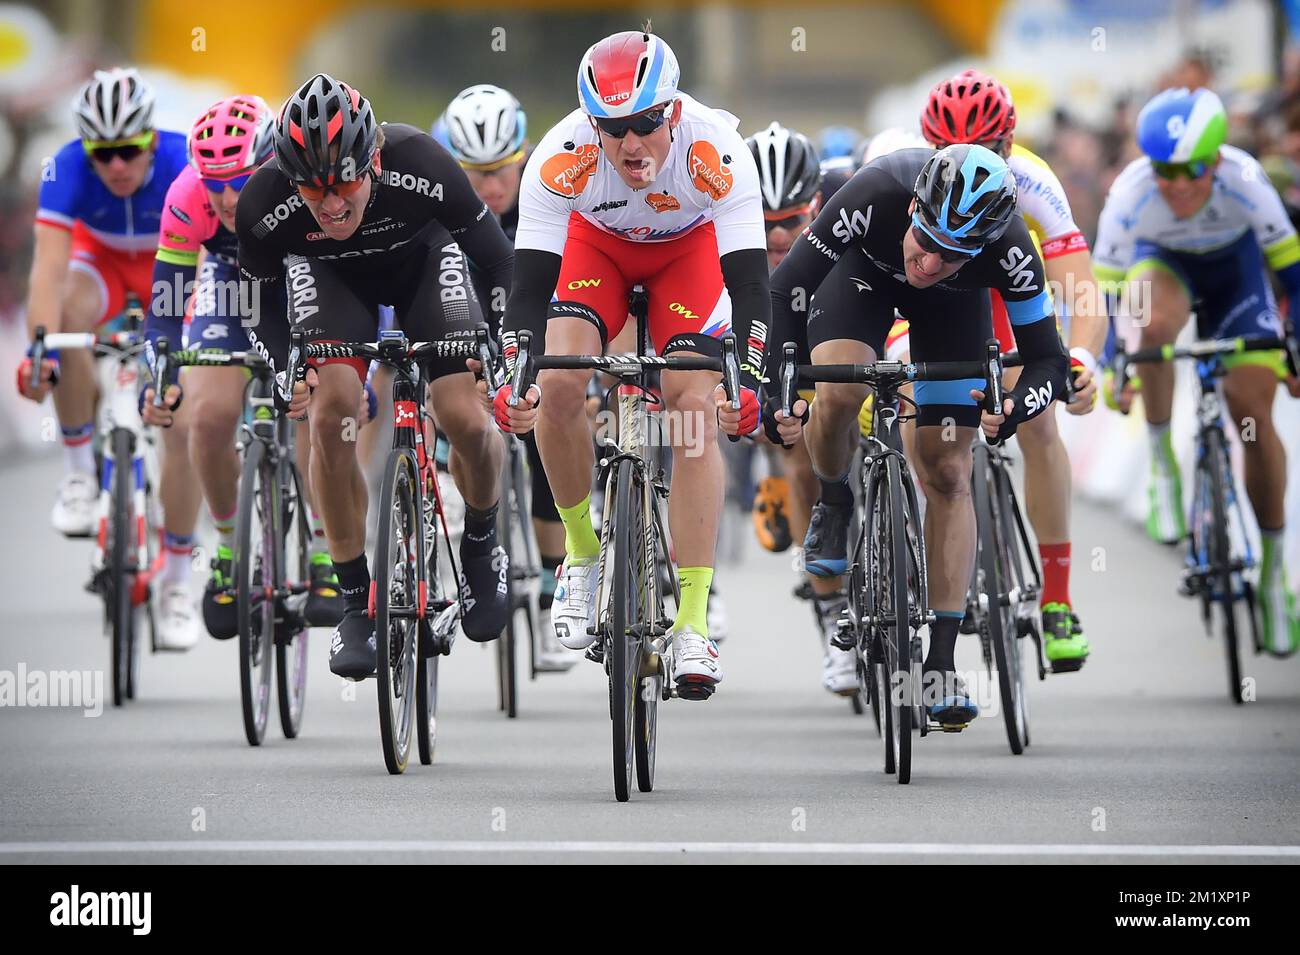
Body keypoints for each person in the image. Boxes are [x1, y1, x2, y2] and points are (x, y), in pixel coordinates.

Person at [491, 30, 803, 697]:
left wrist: (743, 381)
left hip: (687, 258)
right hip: (594, 251)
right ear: (590, 124)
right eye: (612, 128)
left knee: (693, 404)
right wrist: (512, 376)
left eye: (644, 123)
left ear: (673, 113)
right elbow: (525, 294)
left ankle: (691, 622)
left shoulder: (716, 149)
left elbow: (752, 288)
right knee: (559, 379)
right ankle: (580, 554)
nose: (631, 144)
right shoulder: (561, 156)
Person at [771, 143, 1069, 726]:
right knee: (838, 394)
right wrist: (777, 387)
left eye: (953, 254)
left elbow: (1048, 363)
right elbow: (787, 287)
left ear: (982, 246)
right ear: (914, 208)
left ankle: (939, 663)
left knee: (950, 472)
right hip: (861, 282)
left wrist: (1013, 406)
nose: (930, 263)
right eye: (927, 240)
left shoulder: (1010, 248)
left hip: (953, 314)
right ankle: (834, 503)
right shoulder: (876, 191)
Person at [235, 73, 516, 679]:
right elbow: (253, 299)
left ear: (375, 160)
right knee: (331, 410)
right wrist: (290, 370)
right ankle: (357, 599)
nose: (332, 204)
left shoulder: (421, 161)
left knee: (464, 413)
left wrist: (496, 341)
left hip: (423, 270)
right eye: (313, 190)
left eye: (345, 183)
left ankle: (480, 542)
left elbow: (495, 256)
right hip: (332, 282)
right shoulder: (264, 201)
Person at [906, 68, 1106, 671]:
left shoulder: (1032, 182)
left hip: (1011, 291)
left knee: (1040, 417)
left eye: (987, 149)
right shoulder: (912, 183)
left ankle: (1058, 599)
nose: (966, 160)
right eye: (945, 151)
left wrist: (1083, 359)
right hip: (939, 289)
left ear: (1009, 144)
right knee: (928, 432)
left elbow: (1081, 291)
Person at [1095, 86, 1300, 656]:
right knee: (1153, 326)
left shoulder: (1249, 181)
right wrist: (1116, 363)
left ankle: (1275, 571)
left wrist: (1294, 346)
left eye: (1194, 169)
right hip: (1165, 270)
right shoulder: (1130, 193)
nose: (1179, 183)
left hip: (1237, 281)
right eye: (1166, 169)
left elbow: (1296, 273)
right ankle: (1163, 463)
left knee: (1250, 409)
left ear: (1218, 158)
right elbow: (1104, 299)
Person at [140, 94, 345, 639]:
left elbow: (361, 273)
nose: (227, 197)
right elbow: (166, 306)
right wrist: (156, 372)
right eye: (214, 183)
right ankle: (230, 546)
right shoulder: (186, 196)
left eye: (239, 180)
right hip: (232, 286)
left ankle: (324, 548)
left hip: (301, 278)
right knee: (206, 416)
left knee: (314, 398)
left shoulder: (301, 184)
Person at [17, 67, 201, 650]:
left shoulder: (182, 161)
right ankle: (77, 475)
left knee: (181, 416)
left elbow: (203, 266)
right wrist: (37, 347)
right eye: (104, 154)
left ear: (150, 139)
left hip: (168, 269)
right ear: (86, 151)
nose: (117, 166)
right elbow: (47, 270)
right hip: (100, 266)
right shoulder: (64, 168)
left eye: (128, 150)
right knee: (66, 317)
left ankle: (175, 582)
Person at [442, 83, 573, 672]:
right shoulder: (445, 203)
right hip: (466, 321)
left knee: (548, 431)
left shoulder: (546, 191)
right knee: (462, 415)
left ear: (523, 155)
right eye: (475, 172)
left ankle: (550, 596)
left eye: (501, 169)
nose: (491, 185)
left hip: (534, 317)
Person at [744, 121, 851, 694]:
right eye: (766, 226)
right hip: (772, 334)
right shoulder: (730, 230)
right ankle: (832, 614)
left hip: (835, 320)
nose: (780, 237)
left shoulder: (844, 198)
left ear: (816, 204)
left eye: (791, 222)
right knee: (796, 440)